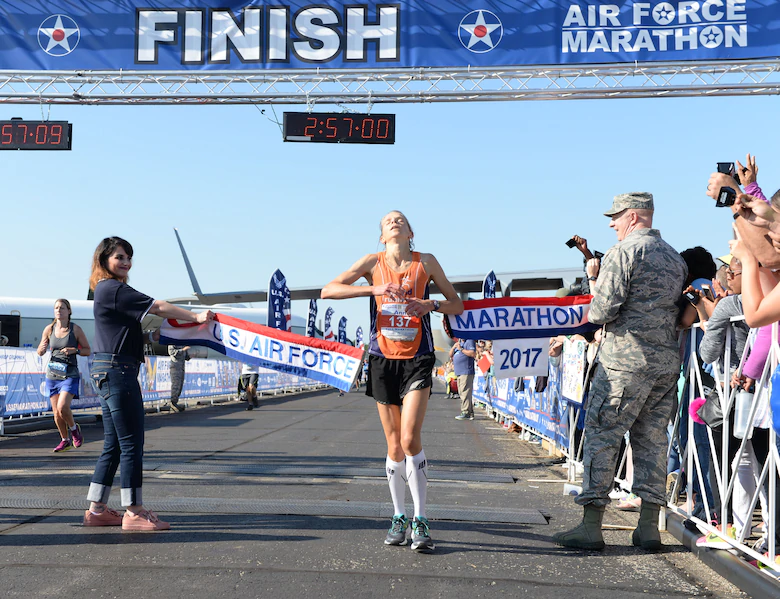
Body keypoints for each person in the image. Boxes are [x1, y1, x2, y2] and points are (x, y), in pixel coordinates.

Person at [321, 210, 463, 553]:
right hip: (382, 360)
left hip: (417, 358)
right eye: (388, 221)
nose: (394, 222)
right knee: (394, 445)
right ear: (382, 236)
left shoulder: (425, 262)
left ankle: (421, 518)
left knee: (411, 437)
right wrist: (375, 288)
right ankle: (399, 516)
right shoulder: (373, 262)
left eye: (400, 219)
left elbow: (457, 304)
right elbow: (328, 290)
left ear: (411, 231)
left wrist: (428, 304)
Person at [553, 193, 687, 551]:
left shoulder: (623, 253)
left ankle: (591, 525)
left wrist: (594, 280)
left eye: (615, 218)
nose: (612, 224)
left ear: (632, 217)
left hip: (623, 364)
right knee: (653, 441)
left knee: (602, 436)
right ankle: (648, 527)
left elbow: (601, 311)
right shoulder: (675, 258)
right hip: (663, 365)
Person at [83, 236, 214, 531]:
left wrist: (152, 338)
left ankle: (97, 509)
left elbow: (129, 331)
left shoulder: (105, 290)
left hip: (108, 368)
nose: (126, 262)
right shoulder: (114, 288)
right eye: (119, 256)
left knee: (114, 444)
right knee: (132, 444)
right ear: (104, 260)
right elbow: (158, 306)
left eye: (129, 257)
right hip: (118, 372)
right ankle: (134, 511)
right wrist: (195, 316)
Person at [36, 299, 91, 453]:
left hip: (70, 374)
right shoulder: (49, 329)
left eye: (62, 308)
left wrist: (76, 350)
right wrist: (40, 349)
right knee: (56, 413)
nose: (59, 310)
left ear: (69, 311)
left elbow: (88, 350)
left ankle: (74, 430)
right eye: (56, 308)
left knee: (62, 407)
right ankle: (65, 440)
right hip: (52, 374)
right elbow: (40, 350)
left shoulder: (76, 329)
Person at [449, 338, 476, 420]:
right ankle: (469, 412)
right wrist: (454, 347)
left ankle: (466, 412)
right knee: (462, 392)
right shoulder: (459, 342)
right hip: (459, 372)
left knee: (465, 392)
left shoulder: (469, 341)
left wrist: (461, 349)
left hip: (466, 371)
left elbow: (472, 353)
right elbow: (450, 355)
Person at [167, 345, 190, 412]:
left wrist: (188, 356)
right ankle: (173, 402)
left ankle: (175, 402)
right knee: (176, 385)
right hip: (175, 366)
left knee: (180, 385)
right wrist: (183, 350)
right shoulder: (172, 341)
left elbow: (185, 355)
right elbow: (172, 352)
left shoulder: (181, 342)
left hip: (181, 366)